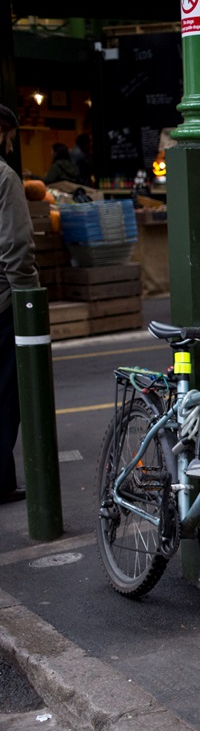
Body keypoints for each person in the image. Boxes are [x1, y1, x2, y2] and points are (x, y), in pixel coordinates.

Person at [0, 104, 38, 503]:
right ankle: (1, 479)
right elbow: (16, 245)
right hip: (3, 303)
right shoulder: (4, 178)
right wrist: (29, 300)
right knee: (6, 394)